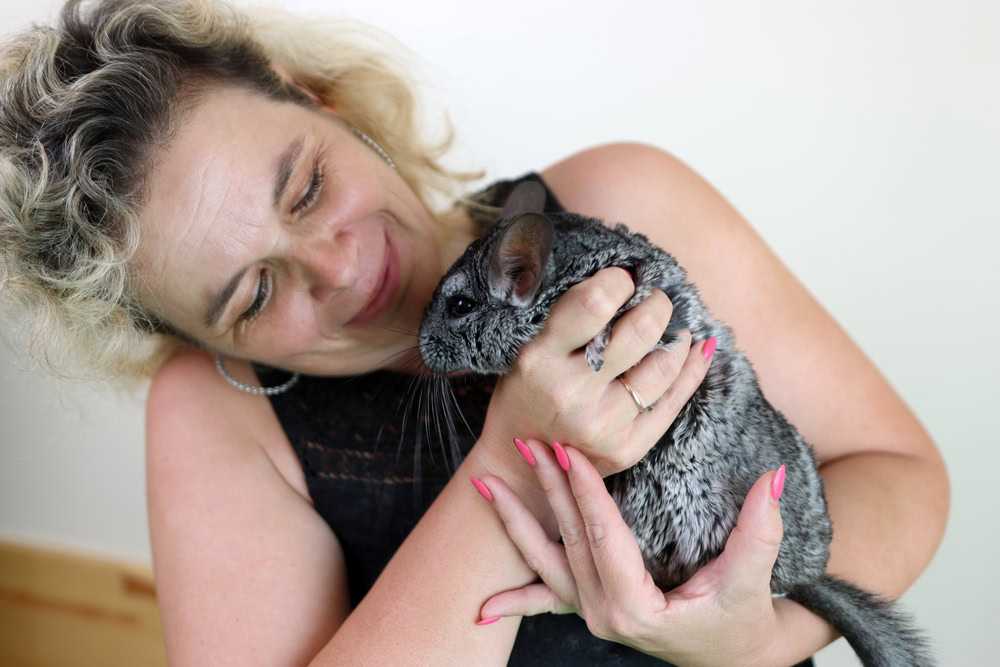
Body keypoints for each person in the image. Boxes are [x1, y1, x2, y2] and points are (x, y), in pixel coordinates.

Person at [0, 0, 948, 665]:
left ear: (319, 99)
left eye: (309, 186)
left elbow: (897, 469)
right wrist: (514, 456)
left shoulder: (620, 198)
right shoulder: (218, 410)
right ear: (192, 333)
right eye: (253, 294)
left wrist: (756, 641)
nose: (340, 268)